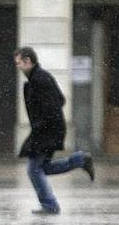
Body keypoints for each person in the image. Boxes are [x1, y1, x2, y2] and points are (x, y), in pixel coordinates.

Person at [14, 47, 95, 215]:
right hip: (49, 129)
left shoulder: (39, 79)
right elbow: (61, 99)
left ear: (28, 61)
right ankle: (80, 160)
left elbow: (53, 104)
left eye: (20, 63)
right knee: (41, 168)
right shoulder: (39, 77)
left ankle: (50, 205)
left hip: (47, 131)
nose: (18, 67)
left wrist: (41, 124)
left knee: (34, 169)